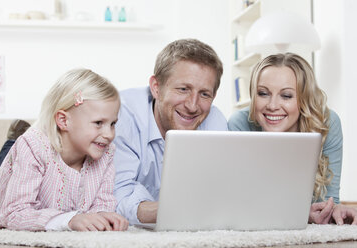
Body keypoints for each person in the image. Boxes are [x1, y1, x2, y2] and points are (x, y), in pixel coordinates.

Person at [0, 68, 129, 231]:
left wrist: (104, 216)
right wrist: (68, 220)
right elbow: (15, 214)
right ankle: (13, 140)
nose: (109, 134)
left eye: (113, 124)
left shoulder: (106, 152)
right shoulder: (33, 146)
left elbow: (102, 203)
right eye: (98, 123)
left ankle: (14, 142)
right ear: (63, 120)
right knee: (10, 159)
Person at [228, 53, 357, 225]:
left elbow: (328, 201)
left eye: (286, 96)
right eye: (263, 93)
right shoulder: (240, 124)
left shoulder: (326, 123)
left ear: (304, 98)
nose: (272, 106)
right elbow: (239, 204)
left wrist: (335, 209)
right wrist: (303, 215)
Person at [114, 39, 228, 225]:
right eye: (183, 89)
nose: (192, 106)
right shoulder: (121, 115)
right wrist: (174, 209)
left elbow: (217, 189)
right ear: (156, 88)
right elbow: (117, 197)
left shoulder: (215, 121)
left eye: (204, 94)